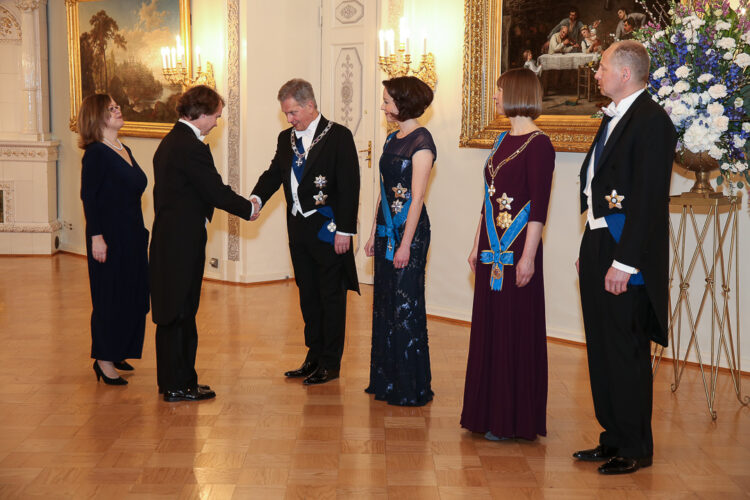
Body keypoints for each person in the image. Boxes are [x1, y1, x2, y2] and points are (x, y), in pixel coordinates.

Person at [573, 41, 676, 474]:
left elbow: (649, 202)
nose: (596, 74)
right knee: (600, 346)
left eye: (601, 68)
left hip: (625, 252)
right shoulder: (614, 116)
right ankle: (612, 436)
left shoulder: (653, 122)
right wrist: (591, 247)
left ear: (625, 74)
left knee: (627, 351)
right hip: (600, 243)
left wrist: (624, 263)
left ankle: (635, 447)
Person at [461, 68, 555, 441]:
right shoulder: (501, 139)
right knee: (490, 325)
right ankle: (485, 413)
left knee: (515, 327)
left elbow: (539, 208)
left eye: (499, 91)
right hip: (490, 249)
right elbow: (487, 200)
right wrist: (475, 243)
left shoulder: (540, 144)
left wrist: (529, 257)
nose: (495, 97)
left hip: (518, 250)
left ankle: (512, 419)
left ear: (515, 93)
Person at [150, 85, 256, 402]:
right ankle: (177, 385)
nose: (217, 122)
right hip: (180, 244)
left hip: (174, 240)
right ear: (202, 114)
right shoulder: (188, 146)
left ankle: (178, 380)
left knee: (178, 312)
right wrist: (248, 208)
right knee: (178, 313)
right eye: (217, 116)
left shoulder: (175, 141)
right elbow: (215, 191)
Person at [250, 79, 360, 385]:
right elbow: (274, 173)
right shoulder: (286, 139)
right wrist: (256, 197)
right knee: (308, 295)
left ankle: (330, 363)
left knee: (331, 297)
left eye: (294, 112)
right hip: (298, 228)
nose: (290, 119)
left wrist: (346, 231)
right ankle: (313, 356)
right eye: (286, 113)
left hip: (329, 230)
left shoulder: (338, 136)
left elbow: (350, 187)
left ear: (310, 106)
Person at [363, 76, 436, 406]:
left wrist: (405, 243)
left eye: (387, 101)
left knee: (405, 304)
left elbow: (417, 197)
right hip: (385, 228)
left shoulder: (423, 141)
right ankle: (386, 381)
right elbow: (385, 190)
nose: (383, 105)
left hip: (410, 230)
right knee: (385, 303)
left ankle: (409, 385)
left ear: (403, 103)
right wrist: (371, 232)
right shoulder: (392, 139)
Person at [79, 94, 149, 386]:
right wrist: (97, 237)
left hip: (131, 234)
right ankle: (104, 360)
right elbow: (89, 197)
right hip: (107, 237)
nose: (118, 110)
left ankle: (119, 349)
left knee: (133, 295)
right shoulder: (96, 153)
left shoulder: (123, 147)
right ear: (97, 117)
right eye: (111, 108)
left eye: (117, 106)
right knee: (109, 297)